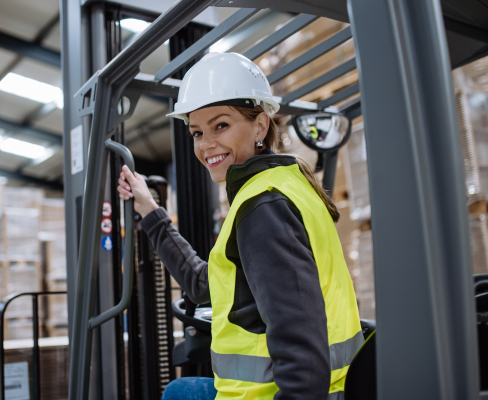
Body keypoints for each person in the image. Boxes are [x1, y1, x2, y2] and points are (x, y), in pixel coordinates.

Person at [117, 52, 362, 400]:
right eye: (197, 132)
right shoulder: (284, 185)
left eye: (221, 125)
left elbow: (302, 354)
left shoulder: (264, 207)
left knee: (178, 393)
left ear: (261, 126)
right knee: (180, 389)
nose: (205, 144)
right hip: (328, 388)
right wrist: (150, 208)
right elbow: (204, 284)